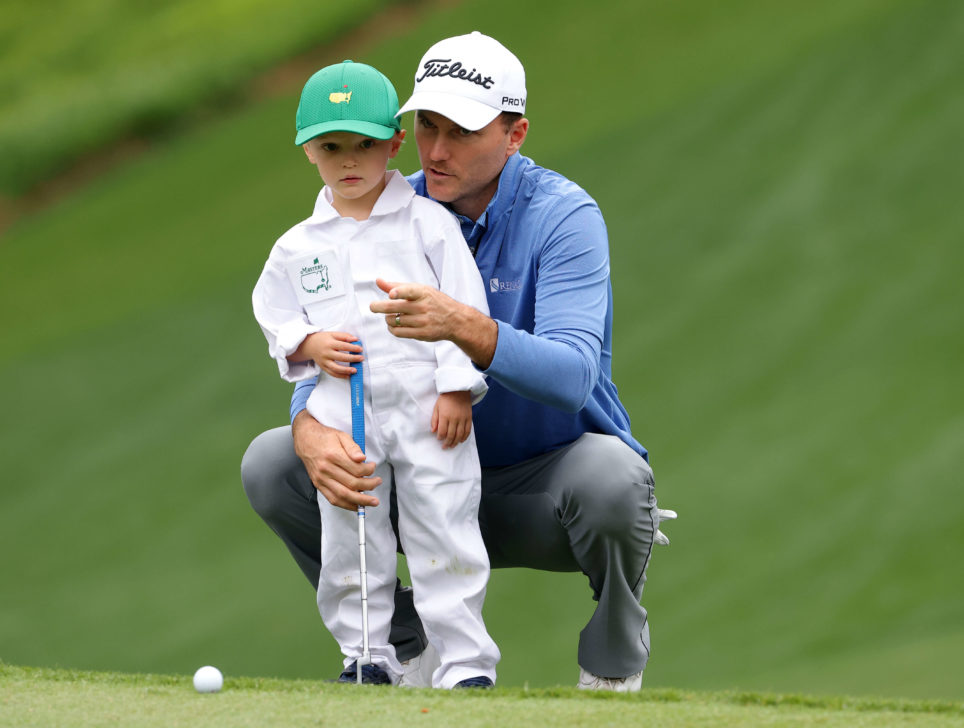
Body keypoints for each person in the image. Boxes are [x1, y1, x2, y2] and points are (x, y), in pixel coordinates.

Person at [242, 32, 674, 692]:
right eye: (427, 128)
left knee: (615, 480)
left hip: (542, 489)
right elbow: (336, 333)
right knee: (274, 464)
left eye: (463, 133)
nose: (438, 152)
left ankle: (614, 657)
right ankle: (401, 646)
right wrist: (307, 422)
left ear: (515, 133)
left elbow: (572, 375)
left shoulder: (563, 216)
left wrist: (462, 327)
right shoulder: (381, 207)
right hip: (412, 467)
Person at [251, 60, 500, 689]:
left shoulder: (427, 223)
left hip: (426, 409)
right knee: (350, 538)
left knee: (443, 529)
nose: (349, 161)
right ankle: (369, 657)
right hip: (344, 414)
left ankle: (465, 667)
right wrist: (307, 341)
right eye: (332, 147)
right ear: (309, 151)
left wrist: (455, 388)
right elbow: (274, 312)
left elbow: (464, 305)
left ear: (394, 143)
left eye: (365, 144)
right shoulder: (297, 246)